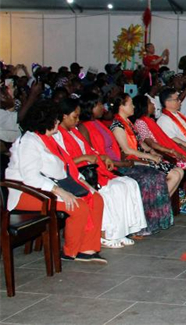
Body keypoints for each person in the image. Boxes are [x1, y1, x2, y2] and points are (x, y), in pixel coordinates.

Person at [6, 100, 106, 262]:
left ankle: (87, 249)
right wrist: (61, 192)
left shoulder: (52, 138)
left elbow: (66, 167)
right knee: (77, 206)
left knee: (96, 198)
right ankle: (70, 252)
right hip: (27, 192)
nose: (58, 123)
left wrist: (84, 184)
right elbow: (31, 177)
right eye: (56, 120)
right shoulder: (29, 142)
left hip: (52, 185)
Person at [78, 94, 174, 237]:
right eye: (98, 104)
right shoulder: (84, 127)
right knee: (145, 180)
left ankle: (156, 221)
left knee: (157, 176)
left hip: (119, 162)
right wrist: (121, 162)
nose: (102, 107)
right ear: (91, 107)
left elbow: (116, 148)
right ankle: (140, 225)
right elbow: (94, 153)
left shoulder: (99, 123)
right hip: (110, 166)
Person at [55, 98, 147, 248]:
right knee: (114, 189)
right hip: (78, 173)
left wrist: (102, 157)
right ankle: (106, 233)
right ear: (64, 116)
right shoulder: (58, 134)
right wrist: (86, 158)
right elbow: (63, 161)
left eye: (78, 116)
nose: (78, 120)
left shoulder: (75, 131)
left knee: (129, 184)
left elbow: (90, 150)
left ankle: (123, 231)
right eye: (74, 116)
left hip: (91, 168)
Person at [131, 95, 186, 212]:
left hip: (166, 152)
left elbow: (164, 140)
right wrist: (170, 151)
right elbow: (151, 143)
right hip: (162, 156)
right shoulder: (141, 123)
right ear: (144, 106)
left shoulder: (150, 121)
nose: (153, 105)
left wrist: (178, 149)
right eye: (150, 103)